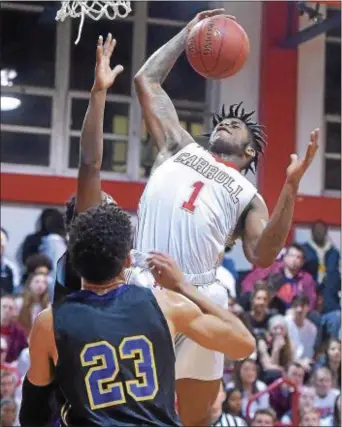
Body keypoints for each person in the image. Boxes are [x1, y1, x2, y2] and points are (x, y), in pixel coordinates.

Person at [132, 7, 319, 425]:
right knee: (137, 406)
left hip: (200, 297)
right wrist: (189, 32)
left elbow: (263, 254)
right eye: (225, 120)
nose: (229, 122)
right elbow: (146, 80)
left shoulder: (248, 195)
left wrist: (290, 186)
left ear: (250, 152)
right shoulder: (178, 146)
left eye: (238, 125)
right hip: (144, 283)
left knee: (198, 416)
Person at [19, 204, 255, 427]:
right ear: (128, 260)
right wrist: (184, 286)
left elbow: (34, 412)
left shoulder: (50, 322)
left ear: (75, 261)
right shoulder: (165, 305)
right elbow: (243, 344)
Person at [53, 32, 123, 304]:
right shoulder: (83, 257)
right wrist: (98, 94)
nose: (113, 205)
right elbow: (90, 164)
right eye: (106, 203)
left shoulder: (117, 264)